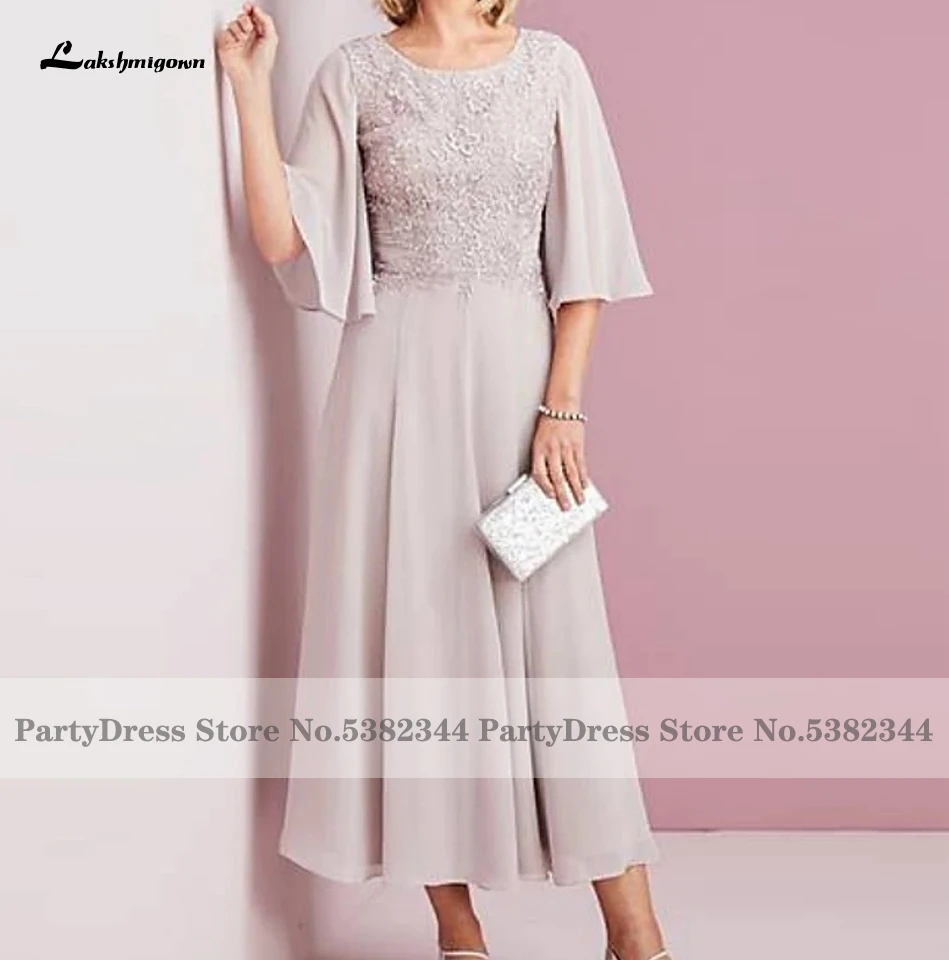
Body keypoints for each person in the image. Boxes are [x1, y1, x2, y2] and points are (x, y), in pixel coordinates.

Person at [217, 2, 671, 958]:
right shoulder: (353, 73)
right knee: (414, 642)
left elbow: (587, 257)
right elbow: (284, 239)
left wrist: (562, 406)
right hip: (390, 392)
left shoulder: (552, 66)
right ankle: (458, 933)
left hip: (519, 380)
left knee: (562, 649)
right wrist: (251, 90)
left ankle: (635, 934)